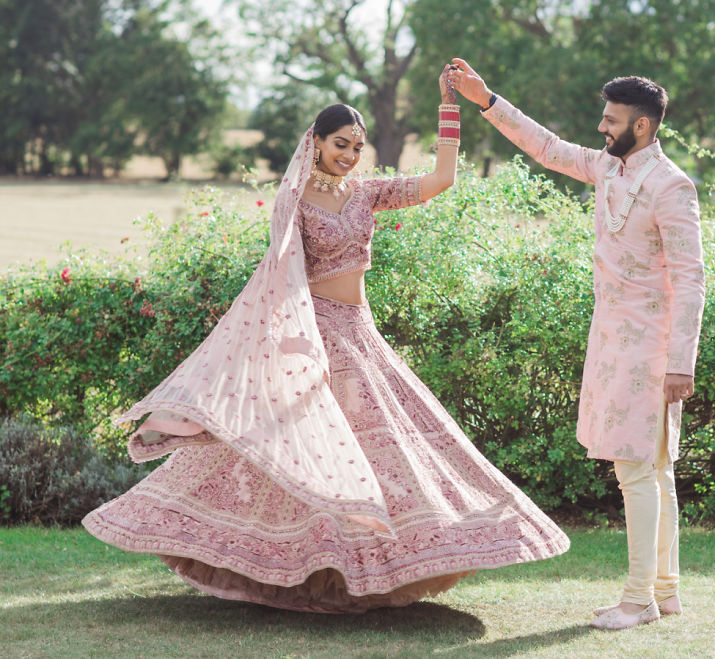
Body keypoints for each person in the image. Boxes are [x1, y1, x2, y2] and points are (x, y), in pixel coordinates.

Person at [83, 66, 569, 613]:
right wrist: (286, 344)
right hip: (313, 336)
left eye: (358, 147)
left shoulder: (367, 194)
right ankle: (297, 568)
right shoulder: (293, 200)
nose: (350, 155)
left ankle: (381, 563)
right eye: (341, 144)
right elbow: (278, 274)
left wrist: (449, 110)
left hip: (359, 333)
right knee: (309, 452)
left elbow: (439, 182)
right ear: (314, 141)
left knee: (385, 447)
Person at [450, 59, 705, 630]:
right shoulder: (607, 169)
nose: (600, 127)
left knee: (641, 471)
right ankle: (665, 592)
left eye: (611, 120)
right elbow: (547, 147)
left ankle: (638, 600)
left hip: (652, 351)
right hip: (611, 338)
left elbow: (692, 279)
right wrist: (487, 101)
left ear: (641, 126)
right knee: (649, 472)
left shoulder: (672, 186)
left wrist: (680, 363)